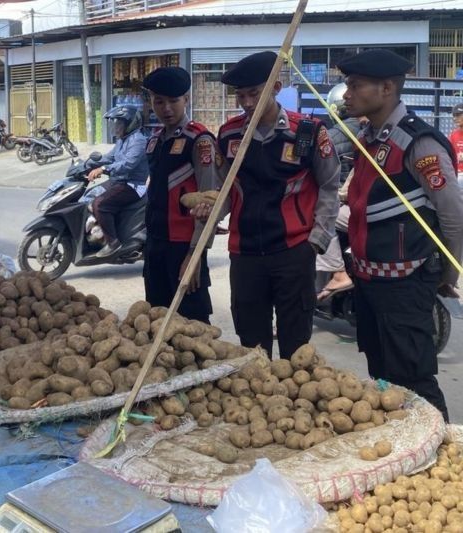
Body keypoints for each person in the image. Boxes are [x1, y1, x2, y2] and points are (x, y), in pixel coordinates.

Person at [338, 49, 463, 421]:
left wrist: (450, 271)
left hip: (405, 284)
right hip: (368, 279)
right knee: (383, 381)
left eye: (355, 85)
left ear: (386, 88)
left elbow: (453, 214)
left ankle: (444, 459)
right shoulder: (368, 137)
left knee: (414, 381)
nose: (347, 94)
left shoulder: (418, 143)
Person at [195, 51, 341, 358]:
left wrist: (316, 241)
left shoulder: (308, 132)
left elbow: (329, 185)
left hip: (294, 252)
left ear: (276, 87)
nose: (247, 103)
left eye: (255, 94)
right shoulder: (230, 134)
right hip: (245, 254)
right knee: (252, 344)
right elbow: (225, 192)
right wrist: (210, 209)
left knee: (296, 343)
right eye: (241, 95)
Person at [141, 66, 222, 323]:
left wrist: (195, 253)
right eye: (159, 101)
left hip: (184, 247)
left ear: (186, 99)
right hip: (155, 244)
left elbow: (210, 203)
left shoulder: (200, 140)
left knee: (193, 324)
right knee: (157, 317)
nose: (166, 108)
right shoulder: (155, 140)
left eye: (173, 101)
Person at [315, 83, 364, 301]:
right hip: (362, 202)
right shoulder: (371, 132)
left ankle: (338, 272)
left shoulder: (331, 136)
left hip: (348, 204)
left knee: (324, 219)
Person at [87, 105, 149, 257]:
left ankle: (113, 243)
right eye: (115, 123)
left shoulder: (138, 141)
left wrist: (104, 170)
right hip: (119, 182)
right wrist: (87, 163)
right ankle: (99, 234)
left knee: (100, 204)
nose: (116, 126)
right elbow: (109, 157)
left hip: (133, 185)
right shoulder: (122, 140)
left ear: (130, 124)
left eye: (120, 123)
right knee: (88, 197)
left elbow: (127, 164)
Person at [448, 102, 463, 181]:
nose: (454, 118)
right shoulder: (453, 135)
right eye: (454, 116)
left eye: (458, 115)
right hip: (456, 173)